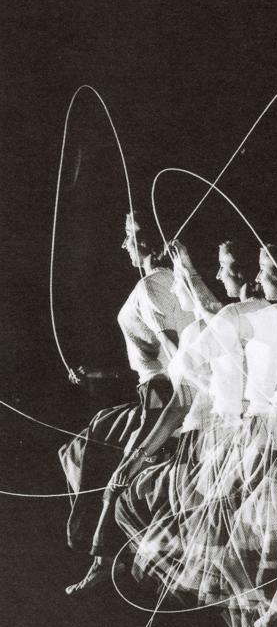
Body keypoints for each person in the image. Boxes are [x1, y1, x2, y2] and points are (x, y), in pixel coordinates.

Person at [60, 213, 193, 595]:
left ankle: (104, 559)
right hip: (153, 389)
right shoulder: (175, 282)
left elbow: (173, 351)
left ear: (147, 242)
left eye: (128, 237)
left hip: (165, 396)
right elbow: (151, 355)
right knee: (87, 441)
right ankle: (103, 553)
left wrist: (189, 389)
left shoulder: (151, 286)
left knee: (119, 476)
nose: (123, 245)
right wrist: (99, 377)